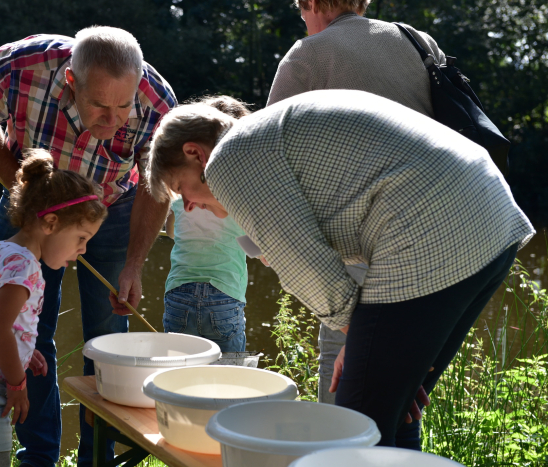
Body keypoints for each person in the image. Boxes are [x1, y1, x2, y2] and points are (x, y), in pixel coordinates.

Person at [145, 92, 535, 449]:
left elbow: (304, 265)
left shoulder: (231, 158)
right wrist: (368, 341)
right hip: (488, 221)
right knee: (393, 412)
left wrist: (361, 337)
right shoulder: (264, 137)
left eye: (182, 189)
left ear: (196, 153)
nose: (189, 207)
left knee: (355, 426)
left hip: (432, 230)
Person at [0, 26, 176, 467]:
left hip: (113, 209)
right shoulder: (21, 66)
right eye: (99, 105)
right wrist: (20, 189)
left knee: (108, 338)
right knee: (28, 334)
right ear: (72, 83)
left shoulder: (158, 103)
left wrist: (133, 265)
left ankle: (98, 457)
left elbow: (157, 185)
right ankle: (38, 457)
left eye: (122, 107)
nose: (112, 121)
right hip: (36, 209)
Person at [266, 0, 447, 407]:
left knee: (340, 365)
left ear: (311, 4)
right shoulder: (418, 41)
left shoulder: (308, 55)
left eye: (300, 9)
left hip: (363, 235)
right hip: (433, 232)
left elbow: (264, 156)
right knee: (403, 377)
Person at [0, 150, 106, 467]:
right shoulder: (25, 267)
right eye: (81, 238)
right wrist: (17, 384)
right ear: (51, 223)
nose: (82, 251)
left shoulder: (2, 251)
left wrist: (25, 349)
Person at [163, 96, 250, 352]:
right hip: (225, 293)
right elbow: (256, 246)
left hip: (179, 291)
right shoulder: (240, 195)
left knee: (178, 375)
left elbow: (171, 231)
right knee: (229, 376)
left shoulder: (183, 189)